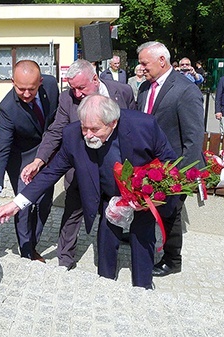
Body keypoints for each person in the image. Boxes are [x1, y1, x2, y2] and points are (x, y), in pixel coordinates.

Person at [0, 95, 177, 289]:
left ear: (113, 123)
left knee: (143, 242)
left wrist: (152, 191)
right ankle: (105, 286)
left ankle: (143, 290)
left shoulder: (144, 126)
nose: (88, 135)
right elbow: (50, 173)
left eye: (95, 129)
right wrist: (16, 204)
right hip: (110, 197)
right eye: (84, 127)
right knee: (106, 243)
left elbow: (169, 161)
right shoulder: (72, 135)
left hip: (142, 197)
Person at [21, 59, 135, 270]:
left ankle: (107, 264)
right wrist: (39, 160)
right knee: (72, 213)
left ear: (95, 78)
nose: (77, 94)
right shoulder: (67, 99)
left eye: (81, 87)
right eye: (72, 88)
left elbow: (132, 127)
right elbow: (56, 131)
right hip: (80, 168)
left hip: (114, 169)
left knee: (109, 217)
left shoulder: (123, 91)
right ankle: (65, 260)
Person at [136, 41, 205, 277]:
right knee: (147, 208)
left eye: (145, 62)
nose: (141, 67)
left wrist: (182, 176)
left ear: (162, 61)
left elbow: (194, 138)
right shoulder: (144, 88)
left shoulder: (186, 90)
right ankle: (142, 238)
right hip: (148, 164)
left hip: (174, 168)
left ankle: (173, 260)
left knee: (171, 214)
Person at [0, 60, 59, 261]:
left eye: (32, 89)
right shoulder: (8, 108)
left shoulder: (52, 86)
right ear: (12, 82)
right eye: (21, 89)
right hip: (21, 157)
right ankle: (27, 252)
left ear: (41, 82)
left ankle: (33, 243)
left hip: (47, 153)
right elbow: (1, 150)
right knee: (23, 204)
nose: (26, 94)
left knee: (44, 201)